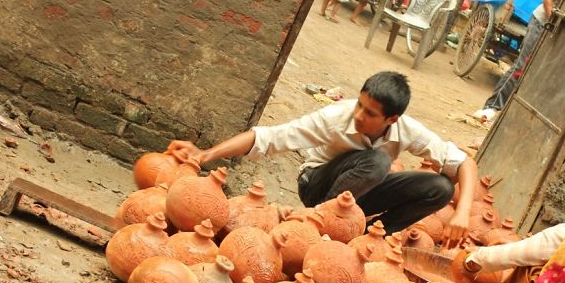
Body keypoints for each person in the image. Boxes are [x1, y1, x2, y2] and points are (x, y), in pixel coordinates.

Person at [169, 71, 477, 243]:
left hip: (358, 193)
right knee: (379, 161)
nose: (358, 115)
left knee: (441, 188)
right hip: (316, 184)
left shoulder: (408, 130)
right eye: (359, 104)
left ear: (391, 119)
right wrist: (206, 154)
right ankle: (320, 226)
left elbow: (465, 162)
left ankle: (370, 238)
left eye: (369, 114)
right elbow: (269, 137)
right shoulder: (337, 117)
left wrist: (462, 213)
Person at [471, 0, 565, 123]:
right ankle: (492, 106)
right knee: (521, 66)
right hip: (542, 22)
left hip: (555, 30)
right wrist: (553, 26)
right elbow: (548, 0)